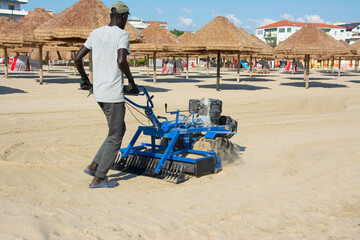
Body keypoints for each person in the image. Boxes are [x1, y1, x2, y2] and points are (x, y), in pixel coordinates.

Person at [74, 1, 139, 188]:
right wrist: (132, 82)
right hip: (112, 93)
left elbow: (77, 58)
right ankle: (99, 178)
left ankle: (94, 165)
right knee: (117, 134)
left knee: (115, 130)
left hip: (99, 92)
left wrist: (85, 80)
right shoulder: (122, 34)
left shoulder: (96, 33)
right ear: (124, 17)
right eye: (127, 18)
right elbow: (121, 60)